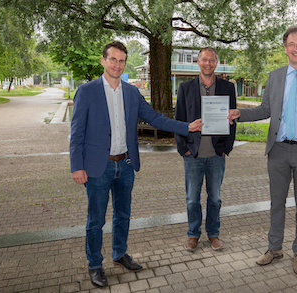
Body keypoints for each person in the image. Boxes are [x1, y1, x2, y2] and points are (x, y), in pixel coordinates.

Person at [69, 41, 202, 288]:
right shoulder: (87, 91)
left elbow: (154, 117)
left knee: (123, 215)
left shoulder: (131, 92)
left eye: (121, 61)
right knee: (95, 220)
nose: (117, 65)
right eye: (113, 59)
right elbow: (77, 133)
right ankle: (95, 265)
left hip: (126, 165)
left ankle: (119, 254)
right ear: (103, 61)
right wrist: (77, 166)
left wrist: (187, 126)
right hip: (98, 168)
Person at [227, 25, 297, 275]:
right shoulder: (275, 76)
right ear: (285, 48)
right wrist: (240, 113)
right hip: (277, 151)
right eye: (291, 44)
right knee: (276, 203)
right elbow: (266, 109)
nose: (296, 49)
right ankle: (274, 248)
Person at [175, 47, 237, 252]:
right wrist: (182, 147)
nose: (207, 63)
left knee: (215, 198)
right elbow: (179, 119)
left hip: (216, 154)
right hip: (193, 154)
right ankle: (193, 234)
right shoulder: (185, 87)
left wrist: (227, 147)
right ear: (198, 62)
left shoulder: (227, 87)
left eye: (211, 60)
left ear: (216, 63)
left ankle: (213, 233)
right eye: (204, 60)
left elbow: (233, 119)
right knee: (192, 199)